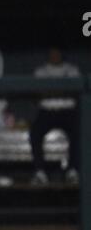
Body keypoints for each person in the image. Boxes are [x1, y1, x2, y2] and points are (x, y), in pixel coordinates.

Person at [30, 48, 80, 185]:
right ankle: (40, 172)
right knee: (35, 132)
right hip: (47, 111)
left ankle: (72, 171)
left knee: (78, 132)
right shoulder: (41, 71)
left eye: (57, 53)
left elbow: (74, 93)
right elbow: (38, 94)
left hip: (67, 111)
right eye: (52, 53)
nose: (55, 56)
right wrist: (59, 90)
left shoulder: (71, 70)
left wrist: (53, 91)